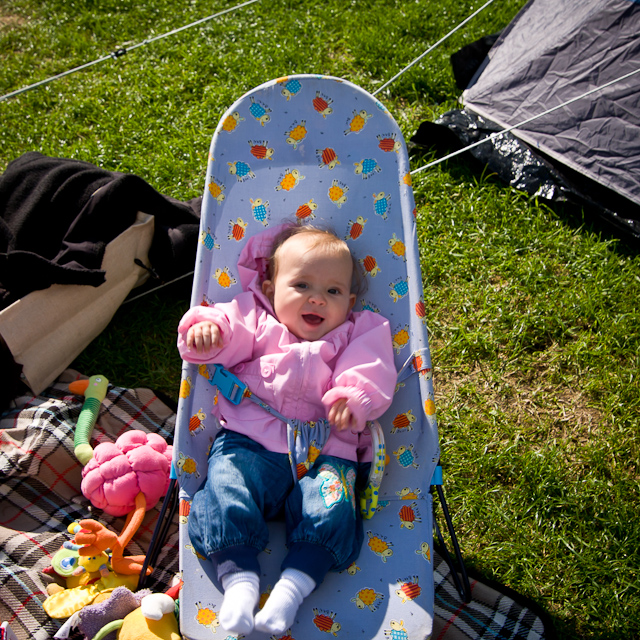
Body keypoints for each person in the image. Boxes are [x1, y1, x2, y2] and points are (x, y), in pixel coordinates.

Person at [177, 222, 396, 635]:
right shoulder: (255, 318)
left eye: (333, 292)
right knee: (226, 488)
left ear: (349, 301)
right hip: (250, 442)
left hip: (326, 449)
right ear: (269, 286)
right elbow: (226, 326)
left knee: (332, 507)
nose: (317, 298)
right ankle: (239, 581)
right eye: (301, 285)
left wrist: (352, 398)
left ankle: (290, 590)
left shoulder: (356, 332)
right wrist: (208, 331)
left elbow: (372, 368)